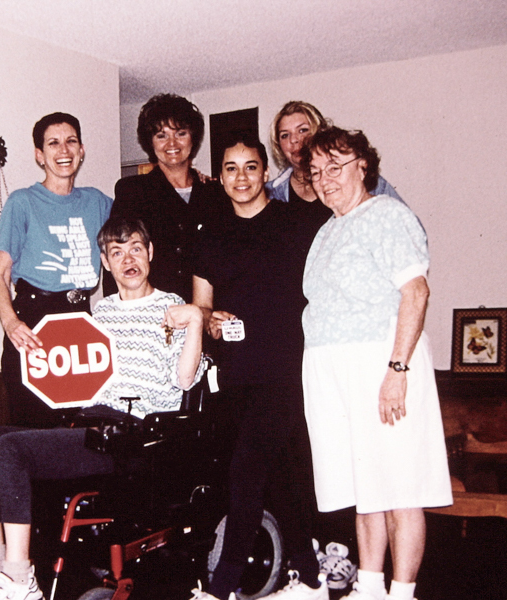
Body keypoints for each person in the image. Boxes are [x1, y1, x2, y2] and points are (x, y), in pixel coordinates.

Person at [0, 216, 205, 600]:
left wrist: (194, 322)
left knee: (12, 449)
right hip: (89, 423)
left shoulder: (171, 307)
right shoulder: (99, 313)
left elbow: (185, 381)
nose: (128, 260)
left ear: (151, 253)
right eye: (117, 252)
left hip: (133, 434)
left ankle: (20, 579)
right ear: (104, 262)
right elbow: (78, 378)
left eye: (136, 248)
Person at [300, 127, 452, 600]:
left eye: (336, 167)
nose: (325, 180)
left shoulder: (387, 215)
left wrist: (397, 371)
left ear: (363, 166)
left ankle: (401, 593)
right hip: (333, 372)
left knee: (399, 487)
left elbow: (416, 292)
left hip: (381, 365)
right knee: (363, 489)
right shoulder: (327, 230)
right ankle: (369, 588)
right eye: (316, 171)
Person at [191, 133, 327, 600]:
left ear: (266, 173)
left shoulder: (298, 225)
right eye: (231, 168)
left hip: (289, 371)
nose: (241, 176)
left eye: (251, 166)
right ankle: (311, 576)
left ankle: (220, 586)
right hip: (235, 376)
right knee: (280, 474)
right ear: (220, 177)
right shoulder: (210, 235)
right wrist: (210, 320)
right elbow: (201, 305)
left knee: (247, 470)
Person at [0, 112, 113, 428]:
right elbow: (0, 273)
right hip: (33, 324)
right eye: (53, 143)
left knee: (80, 434)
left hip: (82, 324)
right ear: (39, 155)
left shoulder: (98, 202)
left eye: (71, 141)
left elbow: (136, 235)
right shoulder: (22, 202)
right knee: (35, 434)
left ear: (81, 150)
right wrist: (10, 323)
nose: (64, 151)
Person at [108, 93, 222, 303]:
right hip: (155, 314)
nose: (172, 143)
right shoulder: (133, 191)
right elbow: (116, 255)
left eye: (181, 133)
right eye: (161, 135)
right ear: (150, 142)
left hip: (208, 314)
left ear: (193, 138)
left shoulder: (215, 193)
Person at [266, 101, 401, 225]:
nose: (294, 140)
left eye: (303, 130)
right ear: (278, 145)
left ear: (319, 131)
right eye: (285, 135)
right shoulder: (272, 193)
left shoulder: (361, 178)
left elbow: (404, 227)